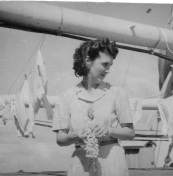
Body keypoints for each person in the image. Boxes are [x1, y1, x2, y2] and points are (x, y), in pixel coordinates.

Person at [52, 38, 135, 176]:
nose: (108, 70)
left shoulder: (117, 93)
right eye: (105, 64)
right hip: (80, 163)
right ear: (87, 61)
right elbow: (60, 138)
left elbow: (130, 133)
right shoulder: (66, 97)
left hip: (112, 162)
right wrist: (74, 136)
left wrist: (109, 130)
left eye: (110, 65)